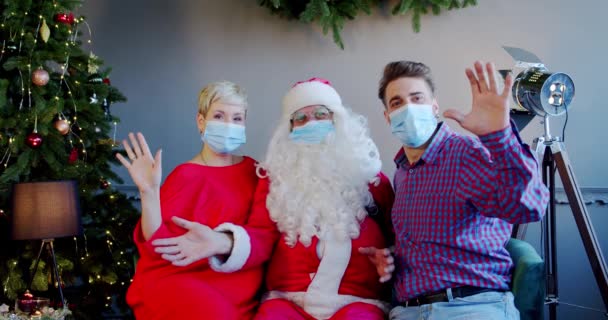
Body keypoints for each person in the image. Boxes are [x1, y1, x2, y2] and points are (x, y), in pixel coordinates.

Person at [152, 78, 396, 320]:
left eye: (321, 114)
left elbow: (402, 235)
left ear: (338, 120)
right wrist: (221, 242)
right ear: (289, 130)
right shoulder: (274, 179)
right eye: (300, 118)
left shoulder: (371, 178)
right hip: (288, 301)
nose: (311, 123)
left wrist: (390, 256)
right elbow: (261, 235)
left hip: (357, 301)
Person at [376, 60, 550, 320]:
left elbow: (529, 207)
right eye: (397, 103)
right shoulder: (402, 173)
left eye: (417, 98)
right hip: (408, 310)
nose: (408, 108)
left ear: (434, 106)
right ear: (388, 116)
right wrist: (389, 256)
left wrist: (500, 137)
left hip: (471, 305)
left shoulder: (466, 154)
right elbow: (425, 243)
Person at [117, 81, 263, 319]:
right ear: (201, 121)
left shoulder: (255, 171)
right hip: (183, 280)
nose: (229, 125)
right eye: (219, 115)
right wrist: (149, 192)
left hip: (240, 282)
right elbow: (157, 244)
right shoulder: (186, 175)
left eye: (237, 118)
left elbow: (264, 234)